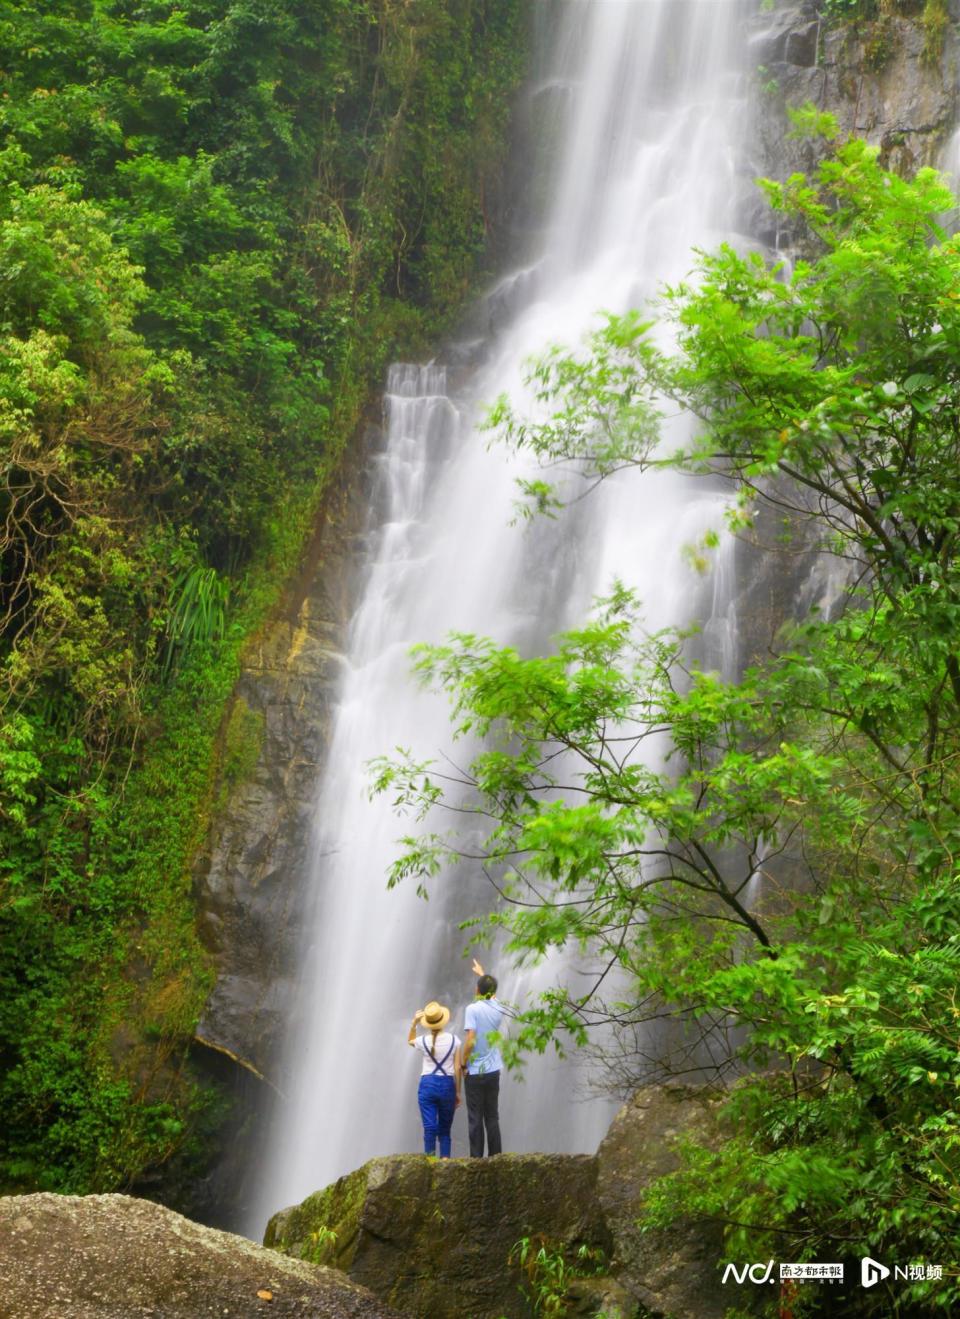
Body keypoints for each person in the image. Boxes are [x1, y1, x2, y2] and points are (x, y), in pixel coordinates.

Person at [462, 958, 504, 1157]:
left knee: (475, 1118)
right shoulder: (499, 1007)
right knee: (492, 1117)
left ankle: (476, 1160)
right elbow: (491, 993)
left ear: (478, 991)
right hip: (494, 1069)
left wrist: (463, 1063)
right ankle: (496, 1157)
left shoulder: (472, 1009)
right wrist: (482, 973)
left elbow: (470, 1039)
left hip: (475, 1071)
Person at [408, 1000, 461, 1158]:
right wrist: (458, 1093)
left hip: (427, 1085)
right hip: (447, 1085)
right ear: (443, 1020)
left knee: (429, 1127)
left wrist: (413, 1024)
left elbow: (410, 1041)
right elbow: (458, 1068)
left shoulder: (423, 1041)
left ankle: (430, 1161)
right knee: (445, 1131)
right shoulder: (455, 1040)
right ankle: (445, 1162)